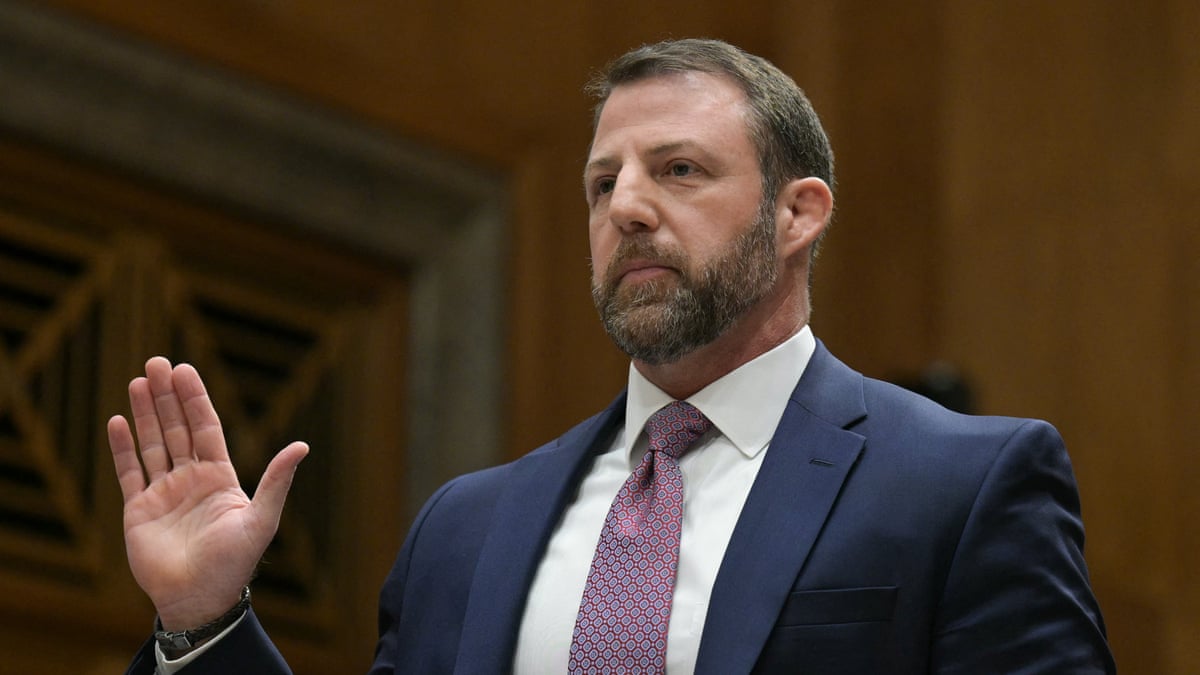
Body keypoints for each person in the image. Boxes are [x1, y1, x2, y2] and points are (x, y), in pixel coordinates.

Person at [108, 38, 1115, 674]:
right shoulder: (464, 529)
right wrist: (205, 623)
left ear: (799, 212)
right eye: (601, 185)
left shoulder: (963, 483)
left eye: (679, 170)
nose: (626, 207)